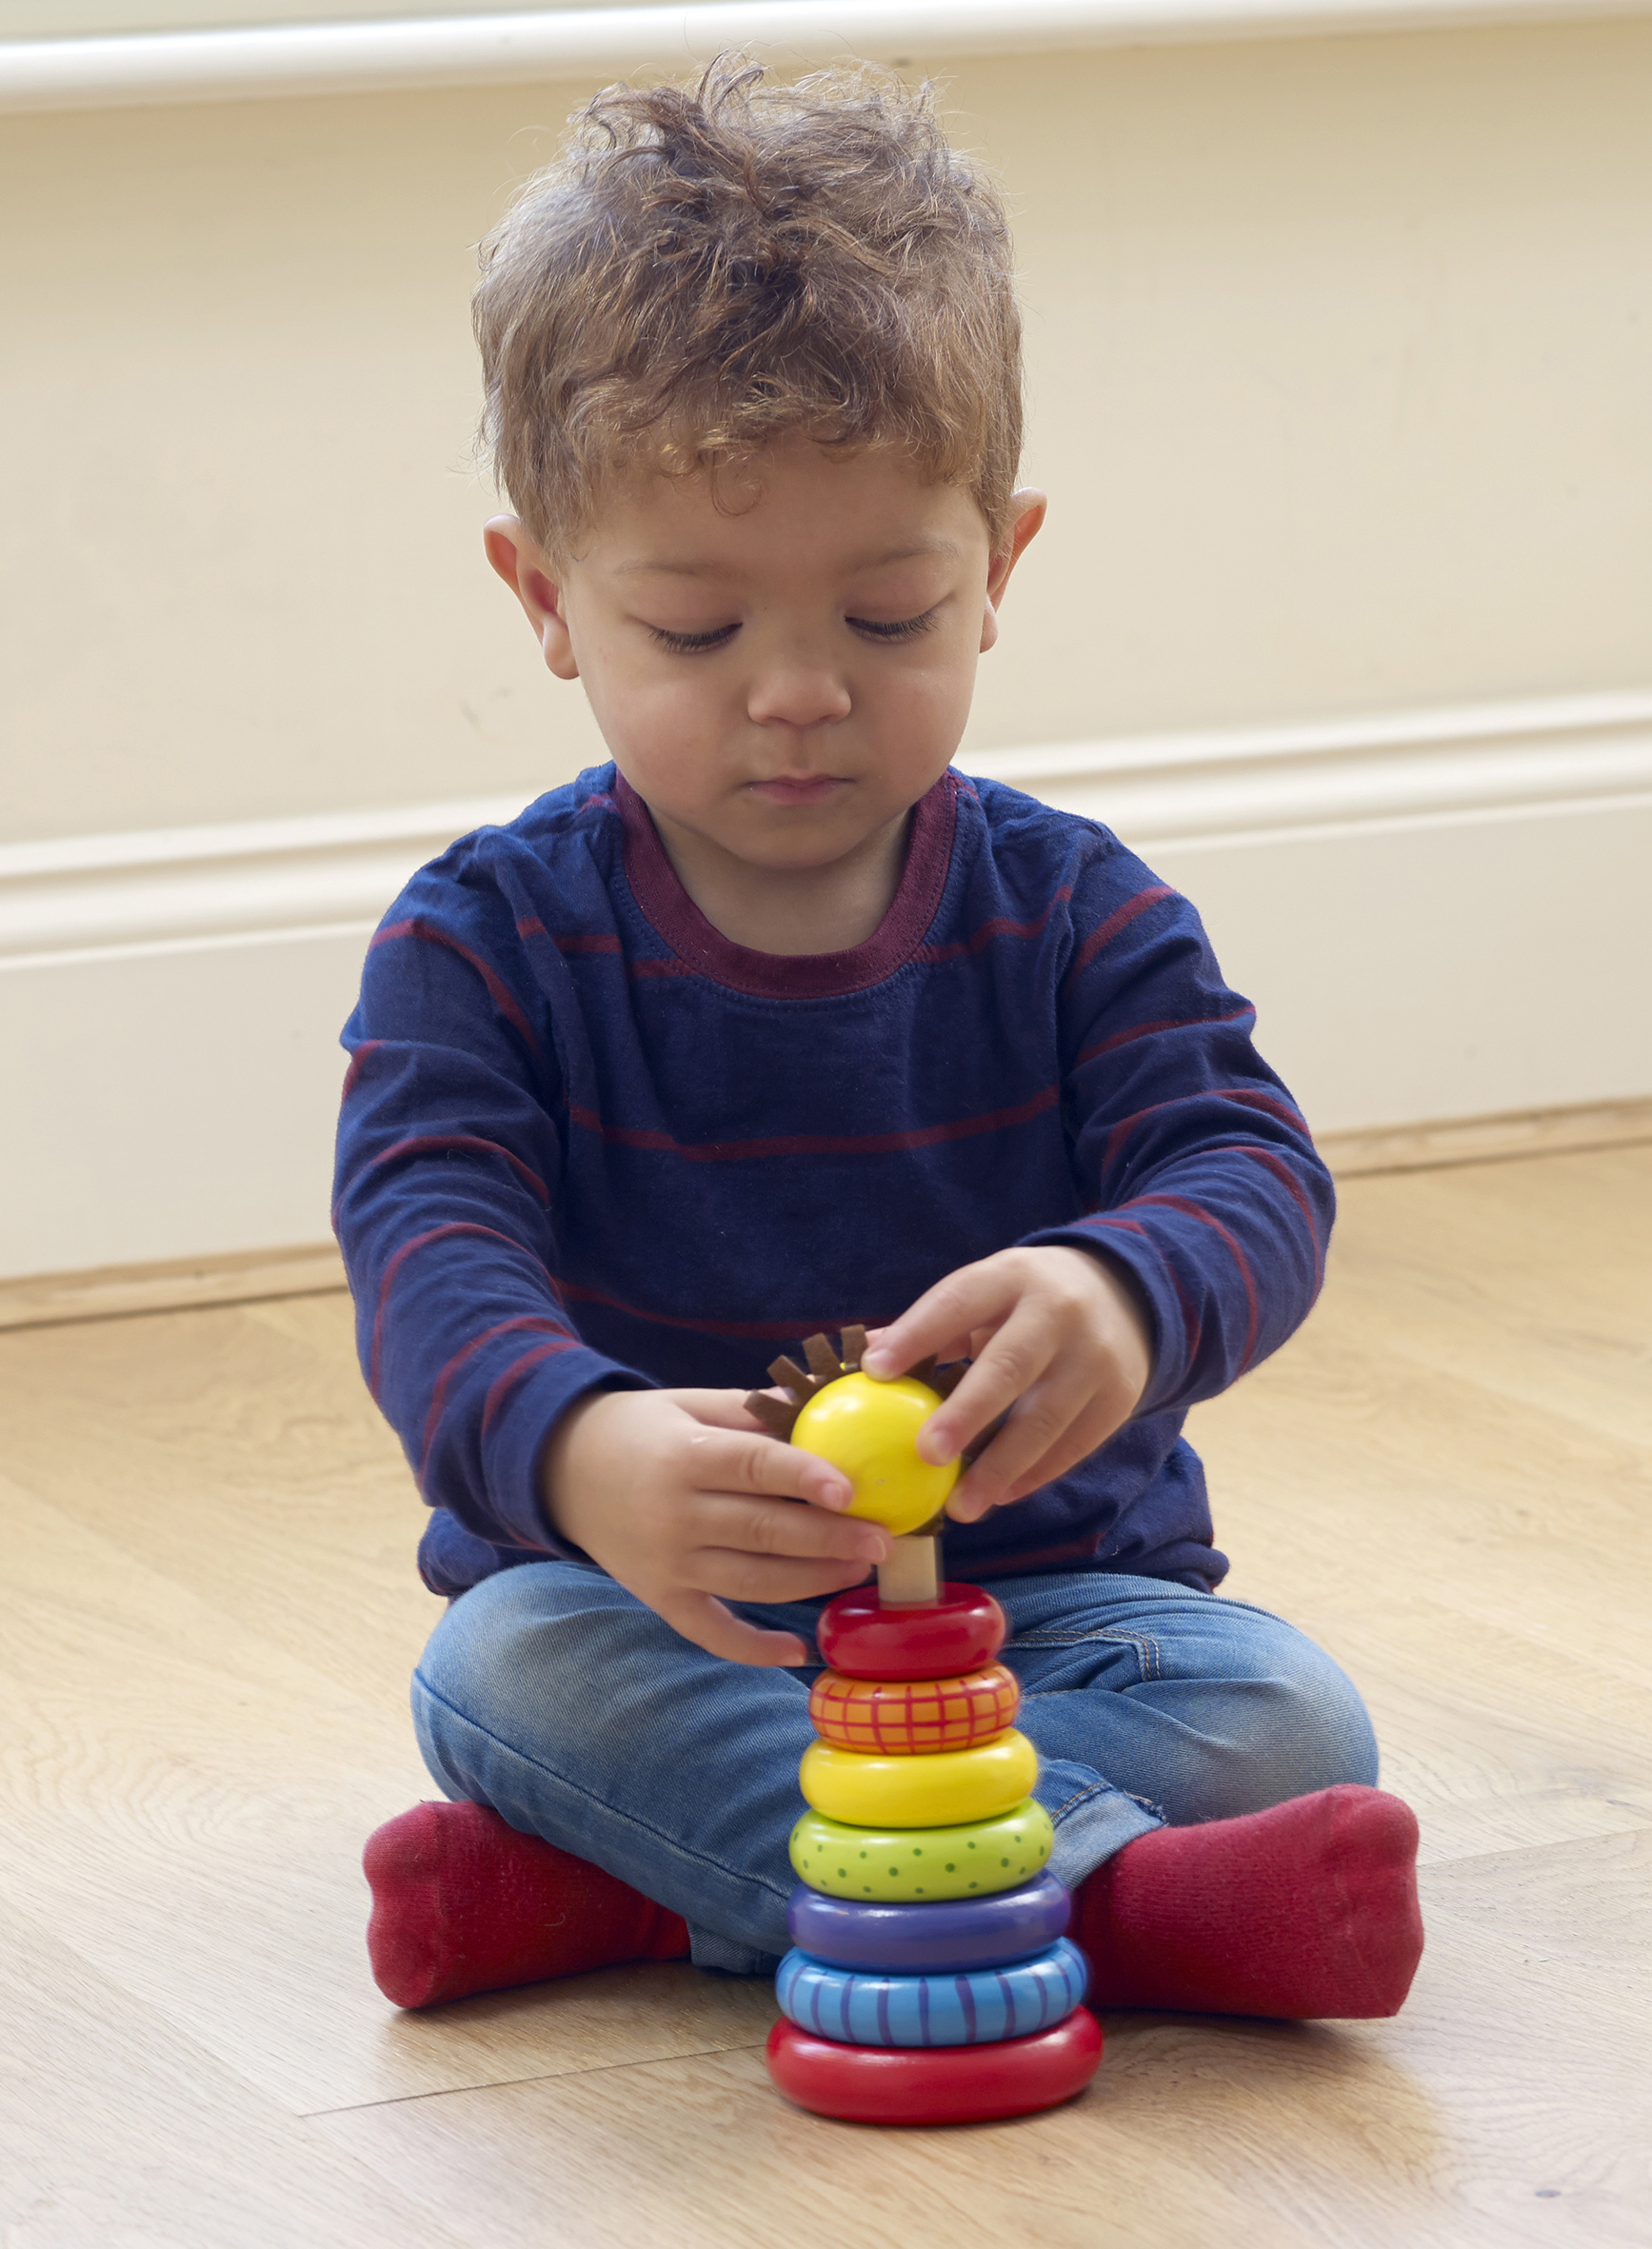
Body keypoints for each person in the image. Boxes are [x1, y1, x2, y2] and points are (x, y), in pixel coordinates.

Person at [340, 58, 1423, 2020]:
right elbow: (430, 1262)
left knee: (1288, 1716)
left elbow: (1248, 1170)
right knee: (499, 1674)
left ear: (995, 569)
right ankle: (1116, 1902)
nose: (799, 694)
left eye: (891, 611)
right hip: (667, 1615)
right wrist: (579, 1450)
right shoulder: (478, 946)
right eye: (696, 631)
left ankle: (643, 1892)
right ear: (547, 599)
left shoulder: (1073, 906)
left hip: (1044, 1611)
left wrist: (1121, 1291)